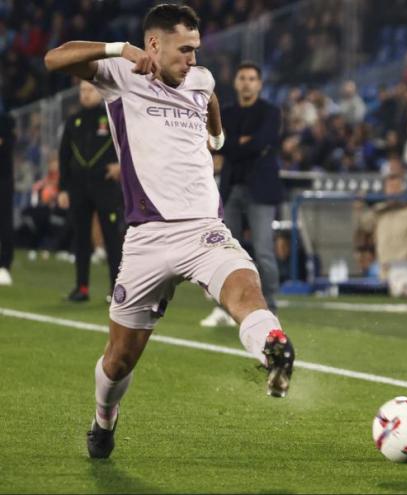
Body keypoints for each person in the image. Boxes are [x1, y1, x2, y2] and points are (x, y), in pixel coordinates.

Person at [44, 3, 295, 460]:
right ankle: (104, 419)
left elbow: (211, 96)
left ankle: (273, 349)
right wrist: (119, 48)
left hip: (203, 229)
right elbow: (54, 58)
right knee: (119, 359)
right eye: (184, 50)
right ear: (154, 45)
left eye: (196, 50)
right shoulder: (121, 73)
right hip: (146, 238)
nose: (193, 60)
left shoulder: (200, 79)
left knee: (246, 286)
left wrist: (215, 137)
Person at [201, 61, 283, 327]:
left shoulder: (271, 112)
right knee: (224, 252)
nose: (247, 82)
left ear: (259, 84)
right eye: (242, 78)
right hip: (231, 187)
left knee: (264, 251)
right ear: (236, 83)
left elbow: (261, 141)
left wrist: (234, 145)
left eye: (251, 78)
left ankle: (270, 308)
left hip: (260, 189)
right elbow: (219, 143)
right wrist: (243, 145)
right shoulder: (225, 112)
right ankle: (225, 309)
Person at [57, 80, 124, 302]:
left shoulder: (113, 117)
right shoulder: (73, 121)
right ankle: (81, 287)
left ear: (100, 91)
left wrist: (120, 165)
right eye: (82, 91)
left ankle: (116, 289)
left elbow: (128, 144)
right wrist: (63, 188)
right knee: (81, 239)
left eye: (90, 90)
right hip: (78, 188)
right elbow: (64, 156)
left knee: (112, 239)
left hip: (105, 185)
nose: (85, 95)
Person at [0, 107, 15, 286]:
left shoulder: (6, 121)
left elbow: (6, 146)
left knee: (4, 222)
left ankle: (4, 264)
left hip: (2, 180)